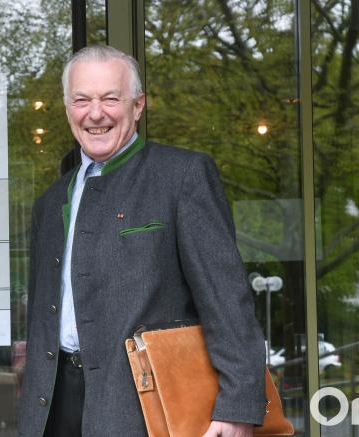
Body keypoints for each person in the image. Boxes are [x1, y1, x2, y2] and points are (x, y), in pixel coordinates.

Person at [17, 45, 266, 437]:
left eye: (110, 99)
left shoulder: (182, 176)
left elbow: (226, 300)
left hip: (147, 409)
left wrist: (237, 406)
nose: (95, 113)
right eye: (81, 100)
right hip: (53, 410)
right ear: (67, 108)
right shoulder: (49, 203)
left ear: (138, 105)